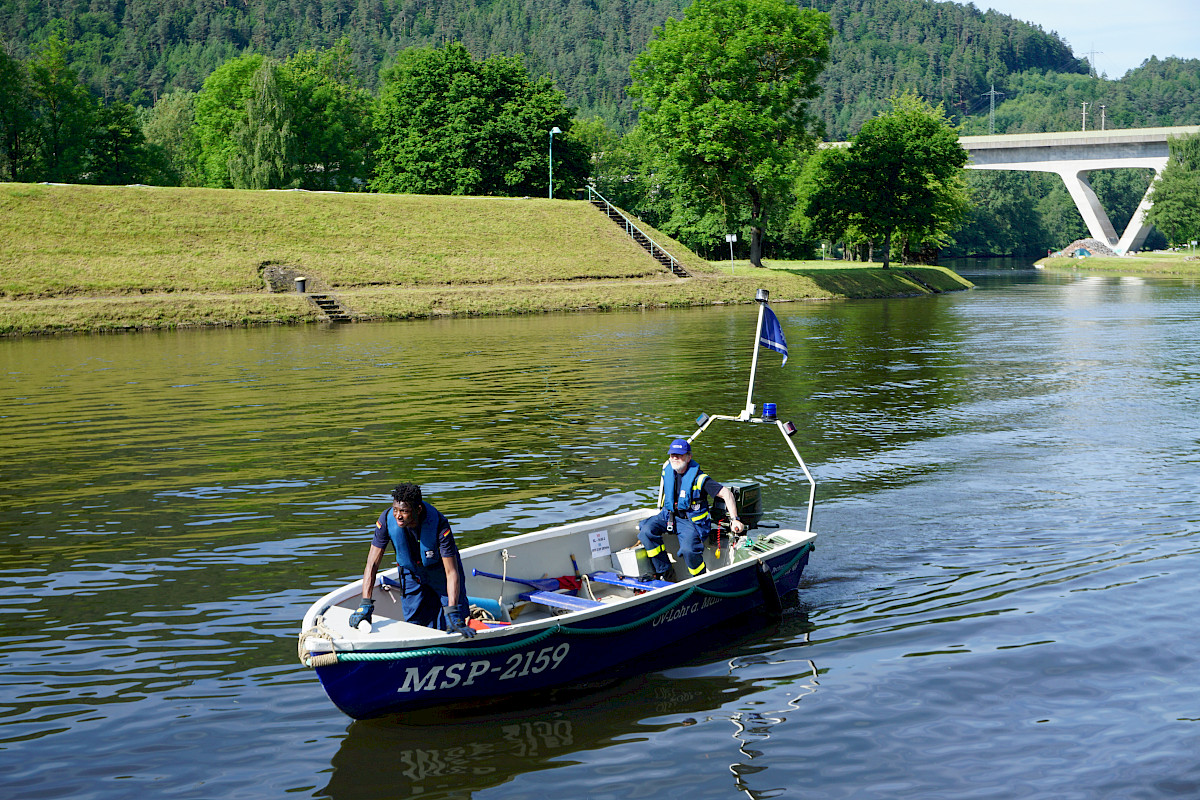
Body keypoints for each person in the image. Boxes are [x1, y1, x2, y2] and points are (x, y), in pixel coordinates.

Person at [348, 483, 475, 637]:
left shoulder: (439, 525)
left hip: (441, 572)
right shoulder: (387, 521)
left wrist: (453, 610)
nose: (398, 516)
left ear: (418, 509)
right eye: (395, 510)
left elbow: (451, 572)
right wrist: (365, 602)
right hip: (412, 574)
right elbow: (372, 564)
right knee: (415, 624)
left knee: (456, 619)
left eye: (404, 511)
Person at [638, 438, 747, 581]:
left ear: (689, 457)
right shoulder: (668, 471)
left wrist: (735, 519)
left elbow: (727, 493)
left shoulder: (700, 478)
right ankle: (666, 573)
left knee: (689, 550)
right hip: (667, 516)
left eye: (680, 455)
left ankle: (700, 579)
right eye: (672, 455)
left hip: (689, 521)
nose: (675, 458)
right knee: (646, 532)